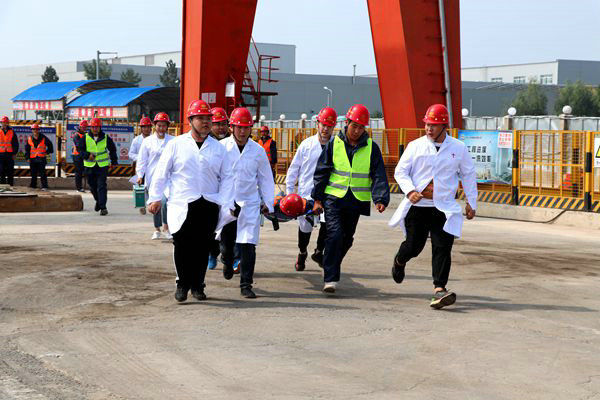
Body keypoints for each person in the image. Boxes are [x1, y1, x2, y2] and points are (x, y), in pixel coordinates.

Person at [388, 104, 477, 309]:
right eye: (427, 124)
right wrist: (410, 190)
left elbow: (468, 174)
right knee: (414, 246)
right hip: (418, 206)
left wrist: (471, 202)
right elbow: (400, 171)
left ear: (444, 126)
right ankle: (400, 260)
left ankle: (439, 289)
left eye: (434, 125)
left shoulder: (458, 148)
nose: (429, 128)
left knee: (442, 247)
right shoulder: (415, 146)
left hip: (444, 207)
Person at [147, 100, 233, 302]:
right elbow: (161, 172)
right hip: (182, 203)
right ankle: (182, 284)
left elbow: (228, 177)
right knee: (182, 245)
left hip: (209, 202)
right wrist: (155, 198)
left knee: (203, 246)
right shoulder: (176, 145)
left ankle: (198, 285)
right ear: (190, 120)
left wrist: (226, 203)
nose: (205, 122)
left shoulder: (219, 149)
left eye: (208, 118)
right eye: (200, 118)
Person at [312, 104, 390, 293]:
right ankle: (330, 278)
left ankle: (328, 261)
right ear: (346, 123)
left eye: (361, 127)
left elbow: (378, 174)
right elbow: (322, 172)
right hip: (334, 199)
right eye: (354, 126)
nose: (357, 131)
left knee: (347, 239)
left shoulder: (371, 148)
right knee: (335, 234)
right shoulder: (334, 144)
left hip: (356, 201)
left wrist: (380, 198)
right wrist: (317, 199)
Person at [219, 107, 275, 299]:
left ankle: (246, 284)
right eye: (239, 127)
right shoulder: (221, 148)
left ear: (251, 128)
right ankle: (227, 261)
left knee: (248, 244)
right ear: (231, 127)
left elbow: (266, 178)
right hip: (228, 203)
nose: (242, 131)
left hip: (250, 203)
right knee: (227, 244)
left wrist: (268, 202)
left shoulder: (258, 151)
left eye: (246, 128)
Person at [285, 107, 337, 271]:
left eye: (329, 126)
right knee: (305, 227)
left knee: (328, 224)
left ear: (334, 127)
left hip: (329, 194)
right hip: (306, 194)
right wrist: (290, 194)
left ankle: (319, 251)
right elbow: (294, 169)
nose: (325, 129)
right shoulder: (306, 145)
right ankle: (302, 252)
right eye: (323, 125)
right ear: (317, 124)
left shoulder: (338, 147)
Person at [136, 112, 175, 240]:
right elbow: (142, 160)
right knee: (155, 202)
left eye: (164, 126)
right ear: (155, 126)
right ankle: (157, 229)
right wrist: (140, 175)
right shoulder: (148, 141)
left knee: (165, 201)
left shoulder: (173, 141)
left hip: (168, 177)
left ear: (167, 126)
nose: (161, 128)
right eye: (159, 125)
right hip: (152, 177)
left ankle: (166, 228)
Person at [207, 107, 231, 270]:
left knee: (229, 226)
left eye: (223, 124)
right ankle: (212, 253)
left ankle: (229, 256)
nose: (221, 127)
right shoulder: (206, 142)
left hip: (229, 191)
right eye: (217, 124)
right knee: (212, 226)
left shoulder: (234, 140)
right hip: (211, 191)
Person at [78, 118, 118, 216]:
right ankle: (98, 201)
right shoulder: (85, 137)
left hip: (102, 166)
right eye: (93, 127)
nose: (95, 129)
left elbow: (112, 149)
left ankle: (103, 207)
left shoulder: (106, 138)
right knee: (92, 186)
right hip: (89, 166)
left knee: (101, 186)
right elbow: (80, 150)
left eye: (97, 127)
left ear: (100, 127)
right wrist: (87, 155)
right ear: (90, 127)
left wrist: (114, 161)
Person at [130, 116, 153, 215]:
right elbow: (131, 154)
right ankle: (142, 205)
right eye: (144, 127)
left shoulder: (154, 139)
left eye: (148, 127)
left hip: (152, 167)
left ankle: (151, 204)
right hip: (140, 167)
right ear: (141, 128)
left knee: (151, 186)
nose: (146, 129)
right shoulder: (136, 140)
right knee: (141, 187)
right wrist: (140, 158)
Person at [24, 123, 54, 190]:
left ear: (38, 130)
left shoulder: (43, 138)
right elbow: (27, 149)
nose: (35, 130)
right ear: (32, 130)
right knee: (33, 173)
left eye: (36, 129)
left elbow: (50, 145)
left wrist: (47, 152)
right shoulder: (29, 138)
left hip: (41, 158)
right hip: (33, 158)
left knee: (42, 173)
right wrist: (27, 157)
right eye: (33, 129)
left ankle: (44, 186)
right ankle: (33, 185)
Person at [0, 116, 18, 186]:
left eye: (6, 122)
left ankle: (10, 185)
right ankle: (2, 186)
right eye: (3, 122)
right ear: (1, 123)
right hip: (1, 154)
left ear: (8, 123)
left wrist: (14, 153)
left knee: (10, 170)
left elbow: (15, 143)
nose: (4, 124)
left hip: (9, 154)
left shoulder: (12, 131)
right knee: (1, 170)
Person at [71, 120, 88, 192]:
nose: (84, 128)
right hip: (77, 156)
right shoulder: (76, 135)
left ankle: (87, 187)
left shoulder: (87, 135)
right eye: (82, 127)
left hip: (84, 155)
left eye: (85, 127)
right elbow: (78, 145)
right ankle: (79, 188)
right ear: (80, 127)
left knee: (87, 172)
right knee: (79, 172)